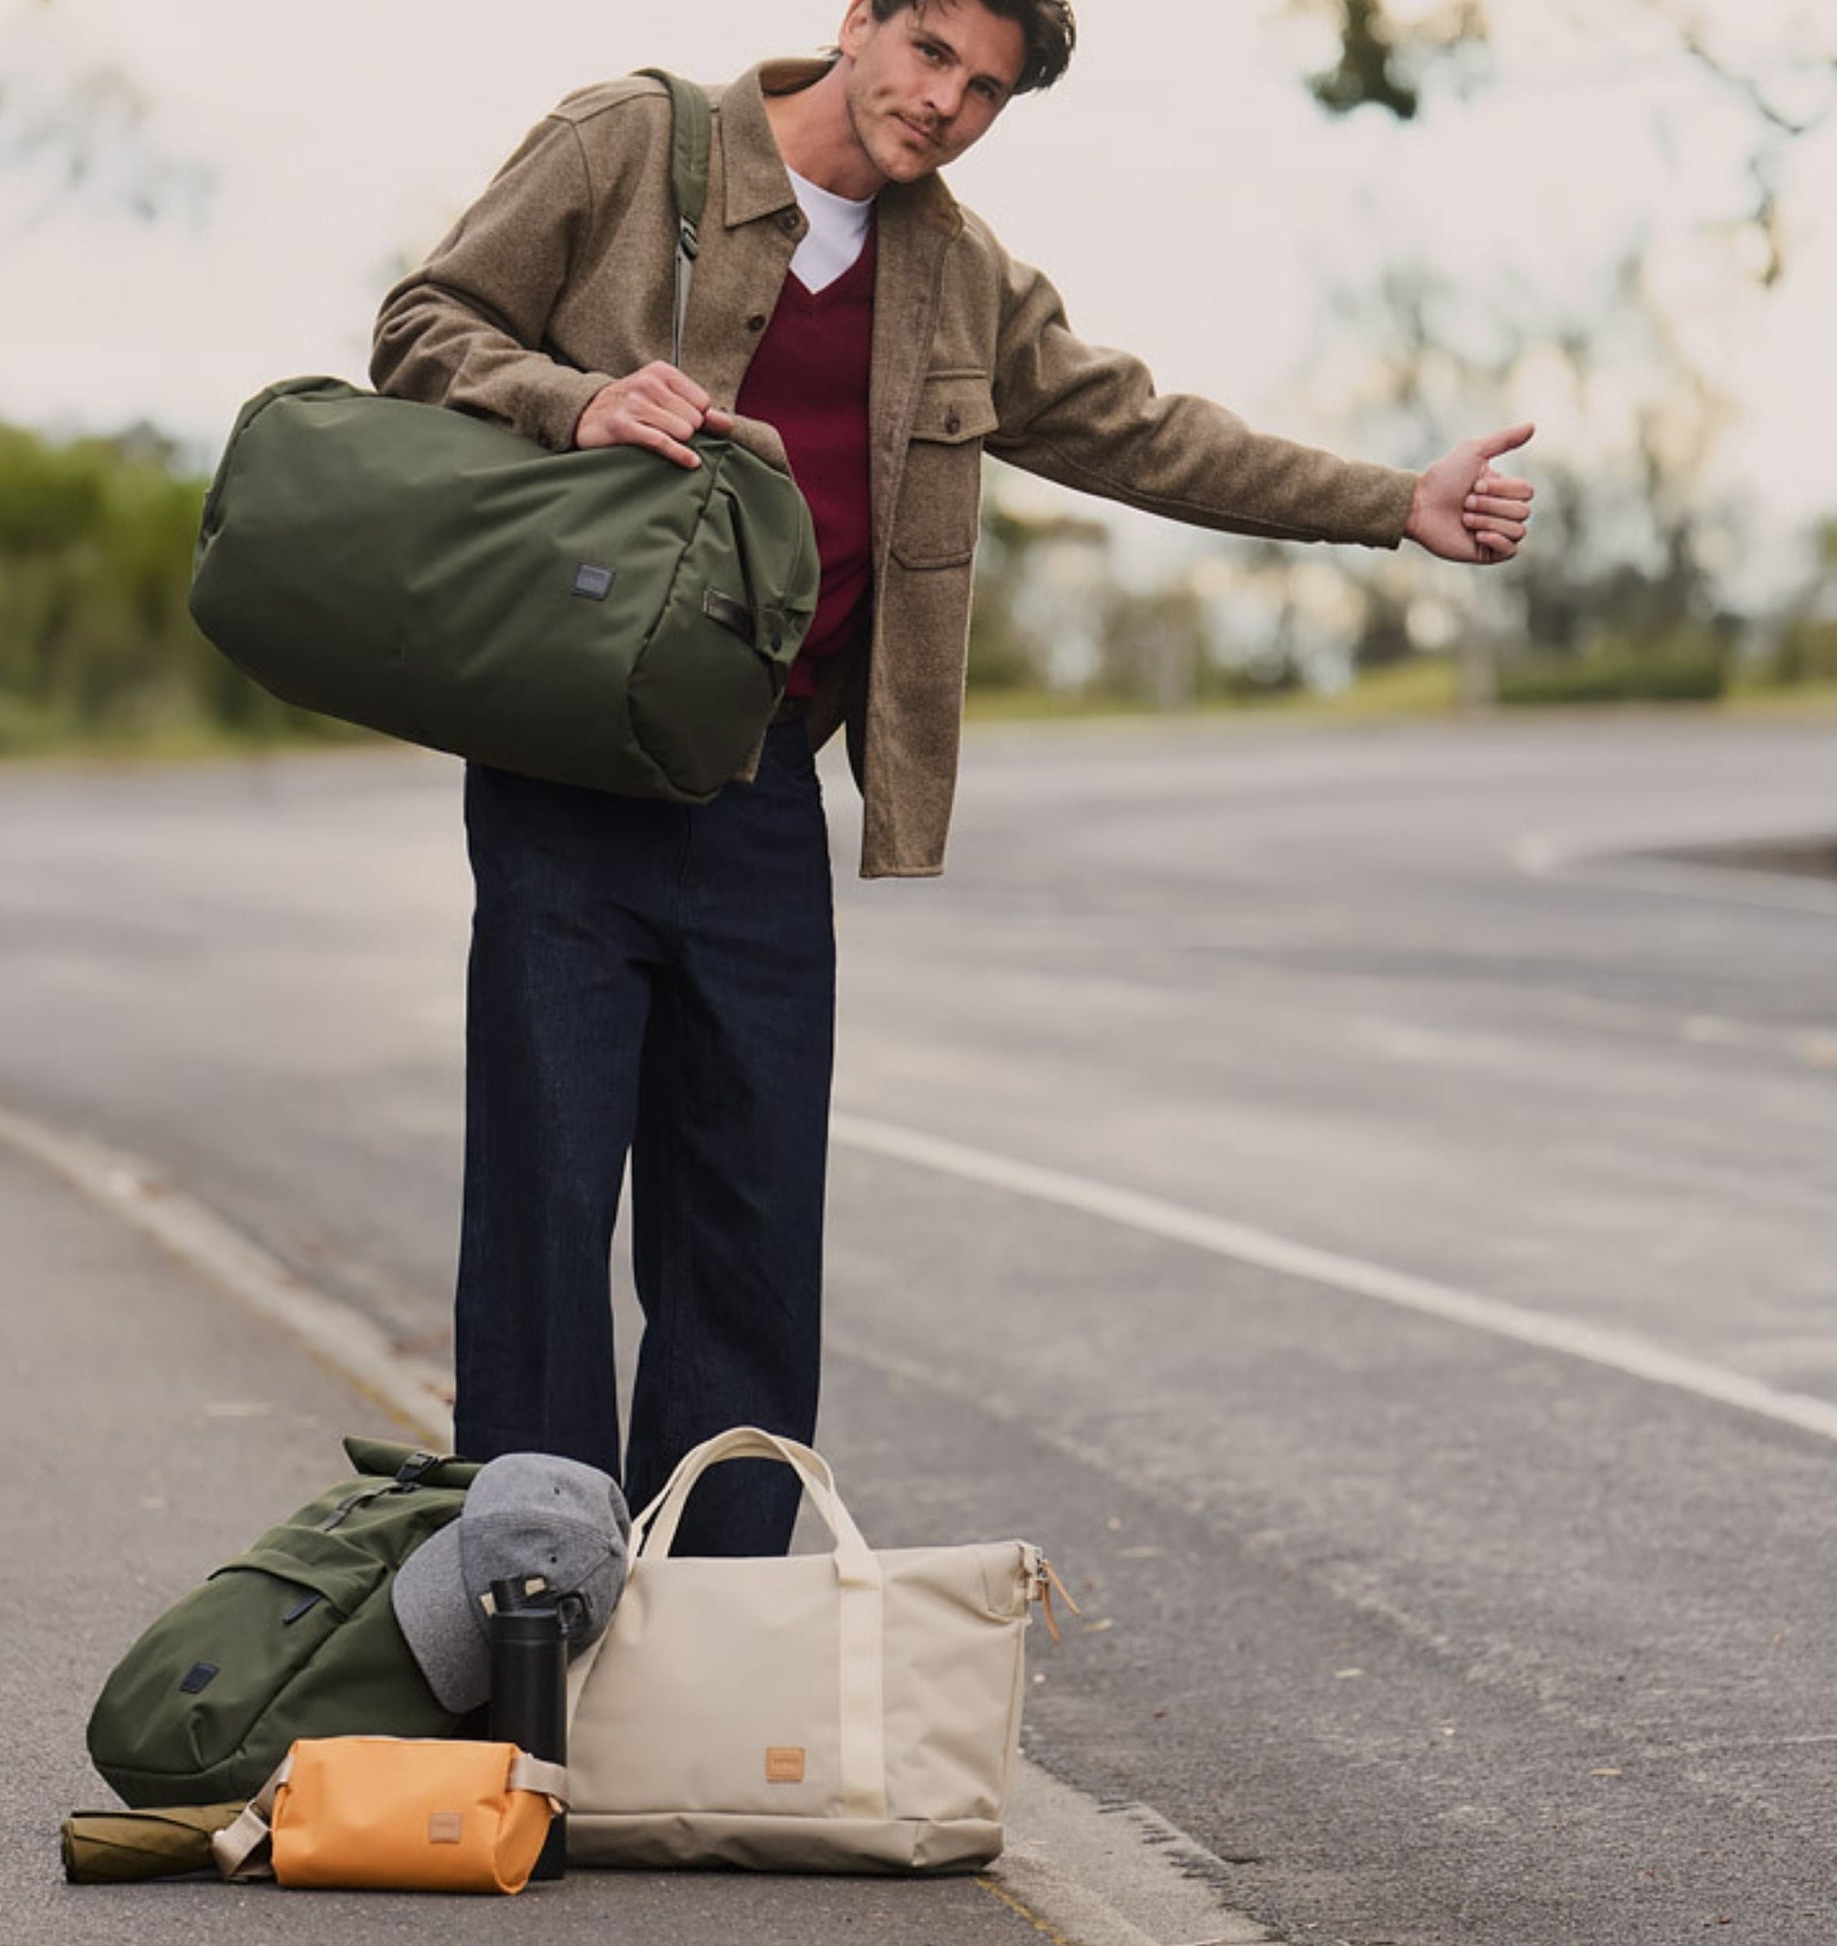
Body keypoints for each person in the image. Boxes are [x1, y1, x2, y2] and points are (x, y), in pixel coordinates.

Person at [370, 0, 1536, 1554]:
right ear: (856, 19)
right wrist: (572, 400)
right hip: (570, 773)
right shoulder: (633, 144)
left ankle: (711, 1649)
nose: (944, 102)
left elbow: (1143, 434)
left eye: (984, 90)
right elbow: (419, 328)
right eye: (929, 50)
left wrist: (1393, 502)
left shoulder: (955, 274)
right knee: (545, 1215)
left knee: (752, 1250)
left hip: (761, 787)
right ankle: (525, 1651)